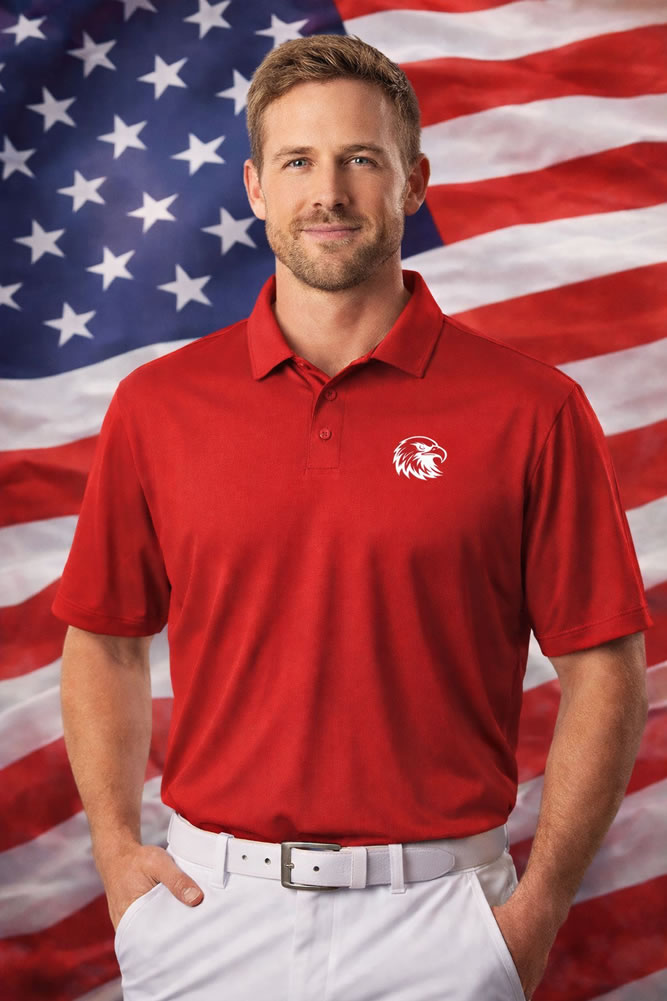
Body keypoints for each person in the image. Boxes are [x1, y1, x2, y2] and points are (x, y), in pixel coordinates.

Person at [53, 34, 653, 1001]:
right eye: (297, 161)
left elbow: (603, 668)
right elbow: (105, 640)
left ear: (413, 181)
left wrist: (533, 909)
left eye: (359, 160)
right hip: (210, 913)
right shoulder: (159, 405)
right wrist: (119, 855)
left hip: (444, 919)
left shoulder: (530, 407)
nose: (326, 192)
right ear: (254, 186)